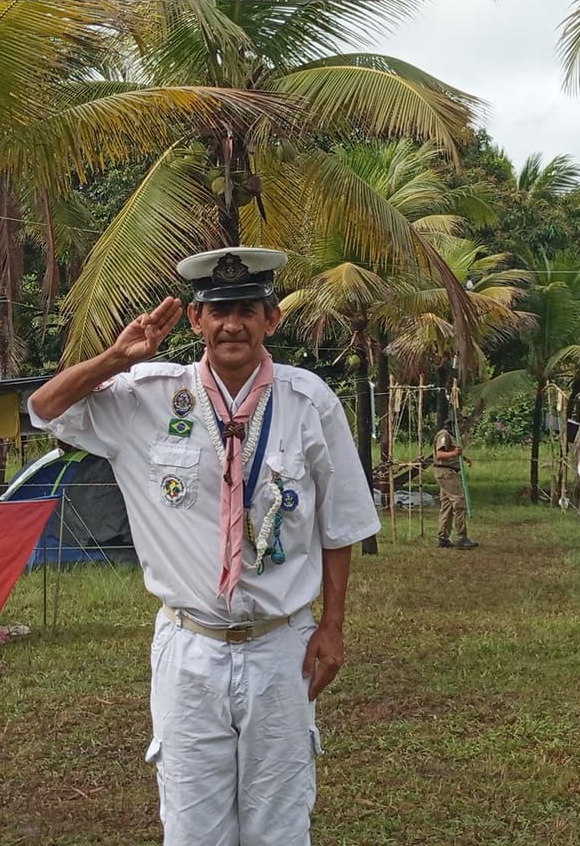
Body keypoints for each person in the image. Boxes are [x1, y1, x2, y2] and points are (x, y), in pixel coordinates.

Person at [27, 246, 379, 846]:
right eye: (217, 311)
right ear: (195, 321)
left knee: (281, 822)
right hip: (189, 647)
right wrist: (115, 356)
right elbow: (44, 408)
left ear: (271, 318)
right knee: (193, 828)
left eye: (247, 309)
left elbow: (339, 523)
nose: (231, 324)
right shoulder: (148, 395)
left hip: (281, 644)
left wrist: (334, 625)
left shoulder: (309, 401)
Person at [432, 426, 476, 549]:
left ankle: (443, 537)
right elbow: (439, 454)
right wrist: (455, 453)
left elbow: (451, 453)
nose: (462, 424)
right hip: (446, 473)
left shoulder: (450, 436)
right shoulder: (444, 434)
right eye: (461, 421)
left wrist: (462, 457)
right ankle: (462, 536)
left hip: (447, 472)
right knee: (459, 501)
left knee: (447, 505)